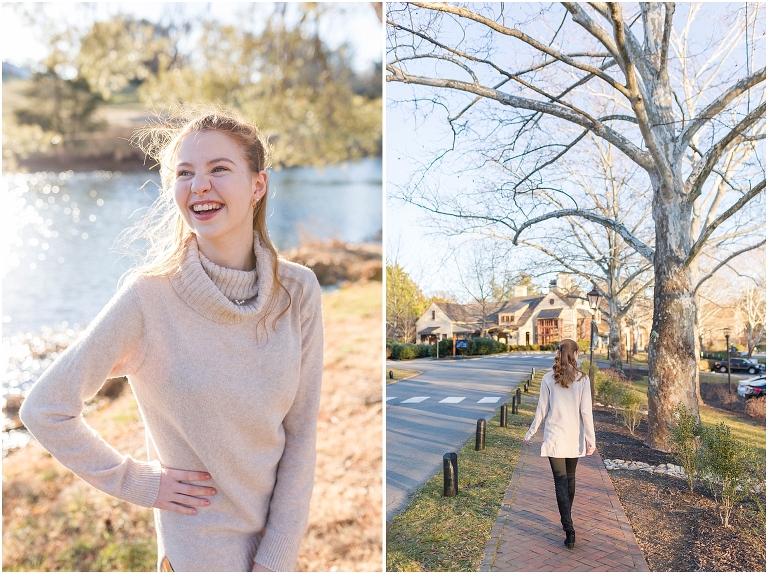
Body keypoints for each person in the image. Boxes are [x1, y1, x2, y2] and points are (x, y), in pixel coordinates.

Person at [20, 108, 324, 572]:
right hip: (197, 554)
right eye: (185, 173)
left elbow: (300, 436)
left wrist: (274, 561)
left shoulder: (298, 292)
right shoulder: (149, 297)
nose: (199, 185)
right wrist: (139, 482)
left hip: (274, 553)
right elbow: (45, 409)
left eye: (218, 169)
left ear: (257, 185)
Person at [523, 338, 596, 550]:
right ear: (575, 354)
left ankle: (568, 526)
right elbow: (586, 413)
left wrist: (530, 433)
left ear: (559, 354)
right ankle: (568, 522)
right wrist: (591, 440)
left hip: (555, 437)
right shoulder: (583, 379)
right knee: (570, 478)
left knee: (560, 482)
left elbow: (541, 410)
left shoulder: (548, 378)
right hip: (574, 437)